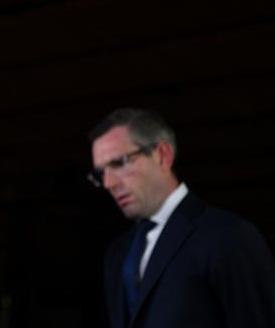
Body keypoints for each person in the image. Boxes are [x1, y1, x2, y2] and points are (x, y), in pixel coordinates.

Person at [87, 107, 275, 328]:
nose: (109, 183)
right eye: (101, 173)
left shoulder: (230, 236)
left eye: (119, 163)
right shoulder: (117, 252)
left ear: (163, 155)